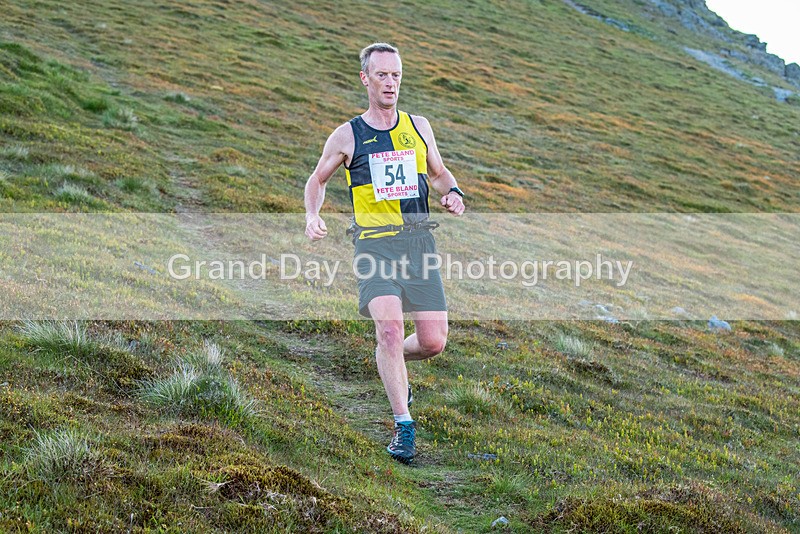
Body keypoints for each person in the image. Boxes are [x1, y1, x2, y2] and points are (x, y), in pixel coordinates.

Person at [304, 42, 465, 464]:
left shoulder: (418, 126)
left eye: (395, 74)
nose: (390, 82)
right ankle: (404, 425)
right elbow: (316, 180)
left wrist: (453, 193)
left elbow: (439, 172)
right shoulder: (348, 135)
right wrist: (311, 216)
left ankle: (390, 364)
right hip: (374, 245)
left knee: (432, 342)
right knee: (390, 330)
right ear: (365, 79)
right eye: (381, 75)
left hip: (418, 243)